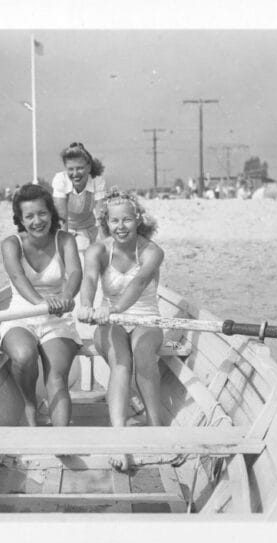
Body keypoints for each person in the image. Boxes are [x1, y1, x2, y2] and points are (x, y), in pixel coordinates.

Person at [76, 189, 164, 472]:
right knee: (122, 364)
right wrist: (88, 305)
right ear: (106, 223)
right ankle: (119, 438)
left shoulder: (152, 251)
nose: (121, 227)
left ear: (138, 219)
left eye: (127, 220)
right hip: (108, 321)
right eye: (114, 221)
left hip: (146, 318)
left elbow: (137, 286)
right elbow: (89, 280)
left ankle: (155, 425)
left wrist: (113, 309)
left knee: (142, 354)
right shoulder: (98, 249)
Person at [0, 184, 83, 427]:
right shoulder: (11, 244)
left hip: (57, 317)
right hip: (21, 314)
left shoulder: (65, 240)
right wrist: (41, 302)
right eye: (30, 216)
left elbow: (76, 272)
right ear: (20, 219)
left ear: (51, 213)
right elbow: (18, 278)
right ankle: (29, 403)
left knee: (56, 377)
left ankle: (61, 439)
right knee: (24, 356)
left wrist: (66, 296)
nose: (37, 221)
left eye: (42, 213)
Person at [52, 142, 106, 254]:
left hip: (88, 229)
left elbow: (100, 218)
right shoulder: (60, 180)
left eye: (80, 168)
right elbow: (62, 219)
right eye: (70, 169)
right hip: (65, 228)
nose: (75, 174)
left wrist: (107, 246)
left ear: (89, 167)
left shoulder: (97, 181)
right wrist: (63, 251)